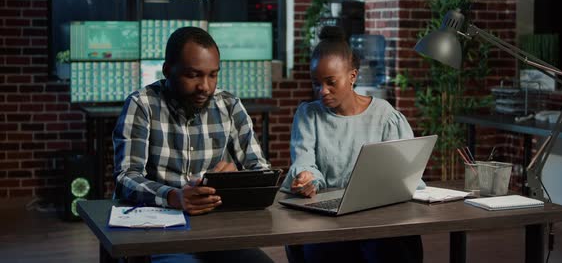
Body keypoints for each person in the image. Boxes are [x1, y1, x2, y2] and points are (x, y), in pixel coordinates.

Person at [113, 26, 273, 263]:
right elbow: (126, 177)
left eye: (212, 75)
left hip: (217, 232)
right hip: (159, 233)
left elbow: (261, 170)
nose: (205, 87)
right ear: (168, 70)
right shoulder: (142, 104)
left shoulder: (229, 105)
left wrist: (239, 178)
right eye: (193, 75)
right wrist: (173, 196)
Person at [282, 26, 424, 263]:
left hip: (376, 214)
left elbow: (407, 172)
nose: (322, 91)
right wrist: (307, 178)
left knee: (390, 248)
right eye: (316, 83)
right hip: (326, 216)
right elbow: (304, 161)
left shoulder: (385, 116)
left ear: (353, 76)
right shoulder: (308, 115)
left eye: (330, 82)